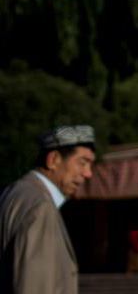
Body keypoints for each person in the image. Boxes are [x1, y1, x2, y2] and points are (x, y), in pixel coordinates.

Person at [0, 125, 96, 294]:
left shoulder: (16, 193)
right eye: (82, 163)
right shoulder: (41, 207)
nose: (88, 173)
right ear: (53, 159)